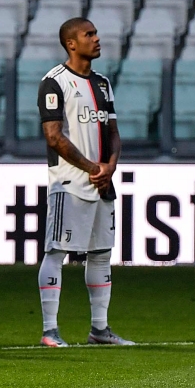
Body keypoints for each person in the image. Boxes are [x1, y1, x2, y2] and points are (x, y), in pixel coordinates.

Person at [35, 18, 132, 347]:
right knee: (56, 250)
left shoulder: (103, 84)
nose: (97, 38)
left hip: (101, 182)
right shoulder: (54, 82)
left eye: (96, 33)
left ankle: (99, 329)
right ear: (71, 43)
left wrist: (110, 167)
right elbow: (53, 136)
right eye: (89, 34)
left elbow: (114, 133)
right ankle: (50, 330)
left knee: (102, 253)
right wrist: (93, 167)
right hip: (69, 182)